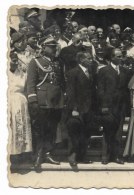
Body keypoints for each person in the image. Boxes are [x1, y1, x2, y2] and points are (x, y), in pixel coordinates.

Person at [26, 36, 65, 170]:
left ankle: (48, 152)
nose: (54, 49)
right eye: (51, 47)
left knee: (52, 129)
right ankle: (38, 154)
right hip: (42, 101)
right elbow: (30, 83)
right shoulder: (35, 62)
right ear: (43, 47)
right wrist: (33, 101)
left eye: (55, 46)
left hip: (56, 101)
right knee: (39, 129)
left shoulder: (58, 62)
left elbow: (60, 82)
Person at [97, 48, 132, 165]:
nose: (121, 58)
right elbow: (101, 90)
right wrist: (104, 105)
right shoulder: (104, 71)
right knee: (107, 131)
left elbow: (127, 90)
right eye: (118, 56)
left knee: (118, 131)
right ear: (112, 57)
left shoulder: (125, 71)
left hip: (120, 106)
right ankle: (105, 156)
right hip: (108, 106)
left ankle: (116, 155)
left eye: (121, 56)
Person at [66, 51, 96, 166]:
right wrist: (74, 108)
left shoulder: (90, 72)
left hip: (88, 109)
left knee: (85, 133)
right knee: (74, 132)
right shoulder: (73, 73)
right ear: (81, 60)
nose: (91, 60)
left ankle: (82, 156)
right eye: (89, 58)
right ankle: (72, 156)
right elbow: (71, 93)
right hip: (77, 109)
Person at [9, 52, 32, 157]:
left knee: (20, 125)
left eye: (16, 60)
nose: (15, 62)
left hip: (20, 100)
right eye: (12, 60)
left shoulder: (22, 73)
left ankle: (20, 152)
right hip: (8, 100)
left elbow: (26, 88)